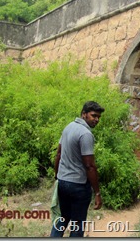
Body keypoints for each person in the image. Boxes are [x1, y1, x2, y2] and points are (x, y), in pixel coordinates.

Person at [50, 101, 104, 237]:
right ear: (84, 114)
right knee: (78, 225)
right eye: (93, 116)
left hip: (63, 182)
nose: (96, 120)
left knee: (62, 219)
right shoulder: (86, 134)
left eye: (98, 117)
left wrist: (57, 176)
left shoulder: (68, 127)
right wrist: (97, 192)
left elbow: (58, 154)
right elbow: (89, 166)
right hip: (78, 186)